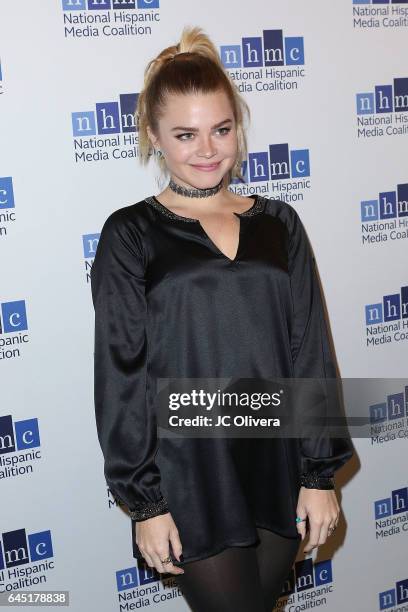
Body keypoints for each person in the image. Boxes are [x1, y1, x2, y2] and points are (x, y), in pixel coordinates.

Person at [90, 25, 354, 612]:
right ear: (153, 136)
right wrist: (147, 504)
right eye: (186, 134)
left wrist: (319, 474)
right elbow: (121, 376)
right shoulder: (130, 235)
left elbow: (309, 348)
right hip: (191, 475)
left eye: (222, 129)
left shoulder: (279, 223)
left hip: (277, 462)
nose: (208, 150)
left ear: (238, 127)